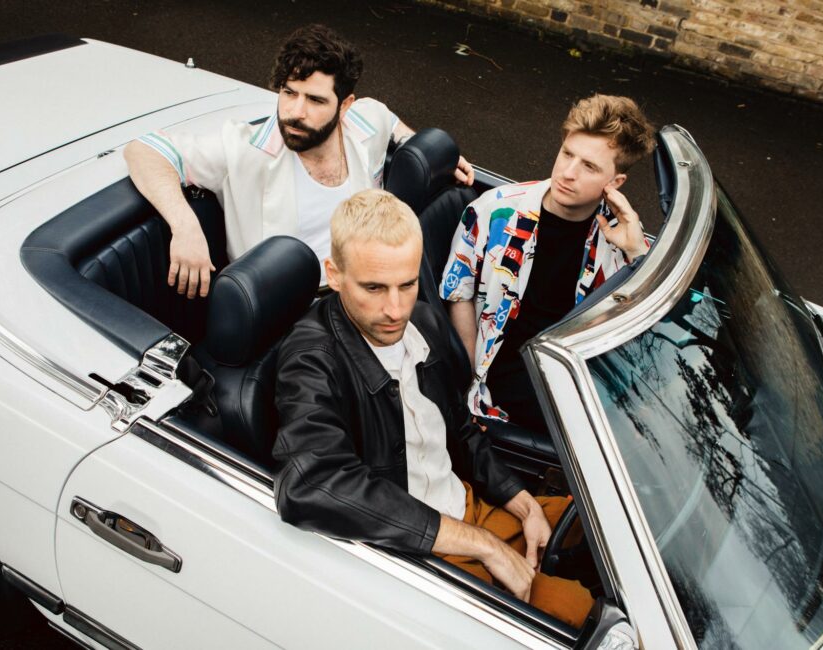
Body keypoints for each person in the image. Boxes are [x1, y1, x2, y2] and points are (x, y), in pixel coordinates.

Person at [272, 189, 593, 628]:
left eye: (407, 284)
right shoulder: (311, 358)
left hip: (471, 507)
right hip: (422, 550)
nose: (395, 309)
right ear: (335, 274)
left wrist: (522, 503)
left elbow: (460, 429)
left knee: (605, 535)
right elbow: (311, 482)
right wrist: (483, 545)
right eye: (374, 288)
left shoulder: (422, 320)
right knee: (584, 618)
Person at [124, 23, 473, 297]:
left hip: (364, 289)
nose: (295, 112)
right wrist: (184, 226)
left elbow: (389, 120)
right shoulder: (243, 149)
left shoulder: (364, 124)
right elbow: (145, 150)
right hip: (292, 311)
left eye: (316, 101)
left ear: (345, 105)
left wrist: (424, 148)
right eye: (289, 93)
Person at [440, 94, 656, 432]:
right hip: (501, 369)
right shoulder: (494, 211)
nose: (568, 173)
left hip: (574, 380)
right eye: (567, 154)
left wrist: (637, 253)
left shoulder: (622, 241)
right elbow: (459, 292)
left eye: (589, 166)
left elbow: (639, 331)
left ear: (615, 184)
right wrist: (466, 381)